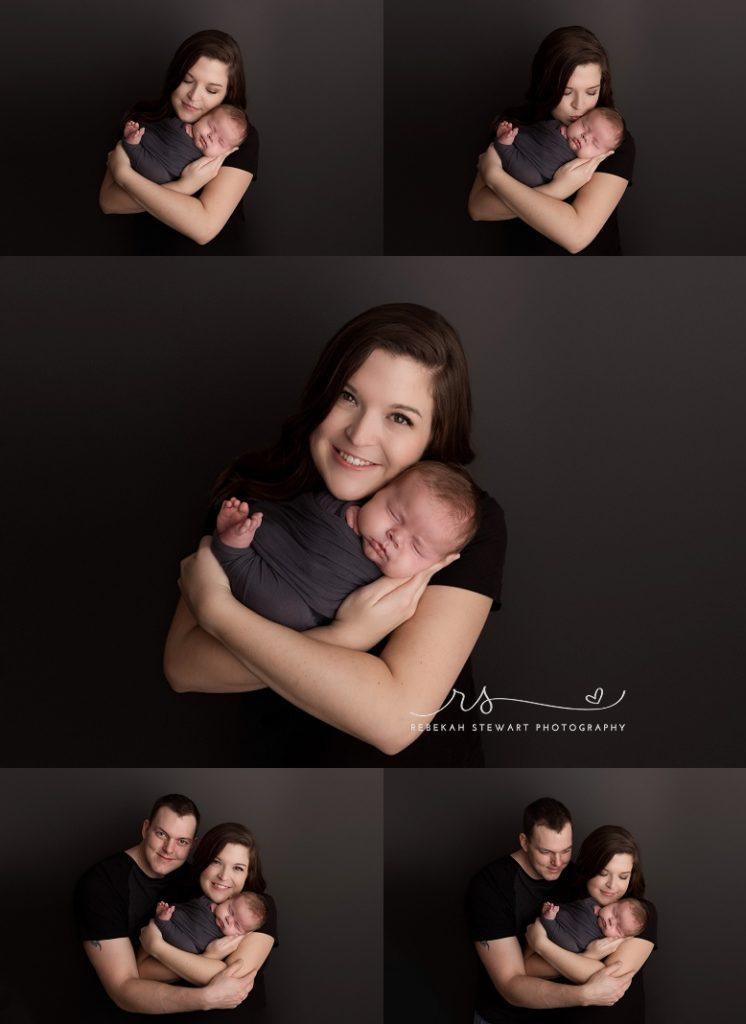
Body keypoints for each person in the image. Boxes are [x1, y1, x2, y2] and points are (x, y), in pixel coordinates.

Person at [164, 303, 507, 766]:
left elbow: (393, 720)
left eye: (400, 417)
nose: (360, 434)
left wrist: (217, 610)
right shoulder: (254, 491)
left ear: (434, 434)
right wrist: (344, 637)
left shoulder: (460, 526)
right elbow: (184, 666)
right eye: (348, 396)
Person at [212, 460, 480, 630]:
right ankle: (238, 537)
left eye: (417, 547)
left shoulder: (402, 590)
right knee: (261, 523)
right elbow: (301, 513)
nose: (395, 537)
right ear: (378, 491)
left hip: (298, 604)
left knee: (291, 614)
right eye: (394, 515)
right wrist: (346, 512)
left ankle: (233, 552)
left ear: (435, 563)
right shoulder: (339, 501)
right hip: (278, 536)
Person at [75, 794, 257, 1017]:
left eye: (182, 841)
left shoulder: (202, 882)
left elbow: (234, 972)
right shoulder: (102, 885)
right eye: (161, 834)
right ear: (145, 829)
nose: (169, 850)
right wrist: (206, 998)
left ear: (193, 845)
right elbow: (123, 987)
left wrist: (203, 959)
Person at [466, 798, 640, 1022]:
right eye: (546, 851)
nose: (557, 862)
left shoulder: (580, 879)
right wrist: (584, 994)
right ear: (524, 842)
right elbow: (511, 983)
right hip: (502, 1018)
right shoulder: (490, 886)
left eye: (566, 851)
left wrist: (583, 956)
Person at [469, 26, 635, 254]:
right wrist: (555, 190)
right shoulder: (513, 126)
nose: (579, 105)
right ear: (545, 83)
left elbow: (576, 235)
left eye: (591, 91)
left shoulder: (609, 142)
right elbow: (479, 208)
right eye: (567, 92)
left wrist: (494, 176)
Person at [99, 30, 259, 245]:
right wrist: (183, 187)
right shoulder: (141, 120)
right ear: (175, 75)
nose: (194, 96)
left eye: (212, 90)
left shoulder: (233, 139)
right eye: (187, 80)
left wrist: (124, 174)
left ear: (227, 94)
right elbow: (109, 202)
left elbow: (204, 228)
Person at [136, 822, 278, 1019]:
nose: (224, 876)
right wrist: (209, 959)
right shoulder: (176, 899)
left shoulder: (256, 911)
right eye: (216, 862)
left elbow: (233, 978)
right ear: (202, 861)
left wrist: (158, 948)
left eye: (238, 868)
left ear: (248, 875)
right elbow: (142, 971)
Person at [523, 826, 658, 1023]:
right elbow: (528, 968)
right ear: (588, 868)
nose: (612, 885)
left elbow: (610, 980)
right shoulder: (562, 907)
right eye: (603, 873)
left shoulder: (639, 917)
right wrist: (588, 958)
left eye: (623, 876)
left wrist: (542, 945)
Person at [494, 108, 624, 185]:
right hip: (526, 140)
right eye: (584, 126)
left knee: (530, 178)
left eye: (595, 143)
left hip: (535, 173)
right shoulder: (558, 124)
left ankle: (504, 146)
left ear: (601, 156)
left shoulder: (584, 164)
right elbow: (535, 130)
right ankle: (507, 138)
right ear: (579, 118)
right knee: (520, 132)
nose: (585, 137)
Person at [121, 105, 248, 184]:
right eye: (211, 126)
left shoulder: (208, 162)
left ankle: (132, 145)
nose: (211, 136)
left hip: (162, 171)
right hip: (154, 140)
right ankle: (133, 137)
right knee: (149, 131)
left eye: (220, 141)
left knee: (158, 176)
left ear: (225, 152)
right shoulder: (182, 120)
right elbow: (160, 127)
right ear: (202, 116)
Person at [138, 891, 267, 960]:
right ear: (228, 899)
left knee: (189, 948)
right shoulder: (207, 900)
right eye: (230, 911)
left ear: (241, 934)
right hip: (176, 917)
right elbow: (187, 907)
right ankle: (164, 918)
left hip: (188, 945)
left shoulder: (225, 939)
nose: (228, 919)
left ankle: (163, 922)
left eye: (237, 925)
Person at [536, 895, 646, 953]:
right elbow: (574, 905)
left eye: (618, 928)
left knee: (572, 947)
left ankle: (549, 920)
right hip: (561, 913)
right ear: (612, 903)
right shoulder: (593, 904)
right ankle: (549, 912)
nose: (612, 921)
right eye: (614, 912)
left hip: (568, 940)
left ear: (619, 937)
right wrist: (593, 905)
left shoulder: (603, 941)